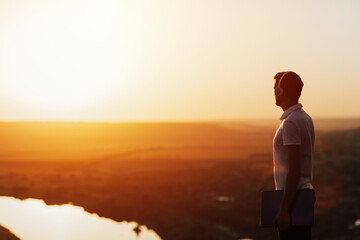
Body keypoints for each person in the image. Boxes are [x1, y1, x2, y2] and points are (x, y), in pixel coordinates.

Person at [272, 71, 315, 240]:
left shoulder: (290, 123)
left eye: (275, 88)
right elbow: (306, 161)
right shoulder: (305, 118)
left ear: (281, 91)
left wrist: (284, 209)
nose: (274, 92)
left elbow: (295, 168)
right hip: (302, 194)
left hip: (292, 201)